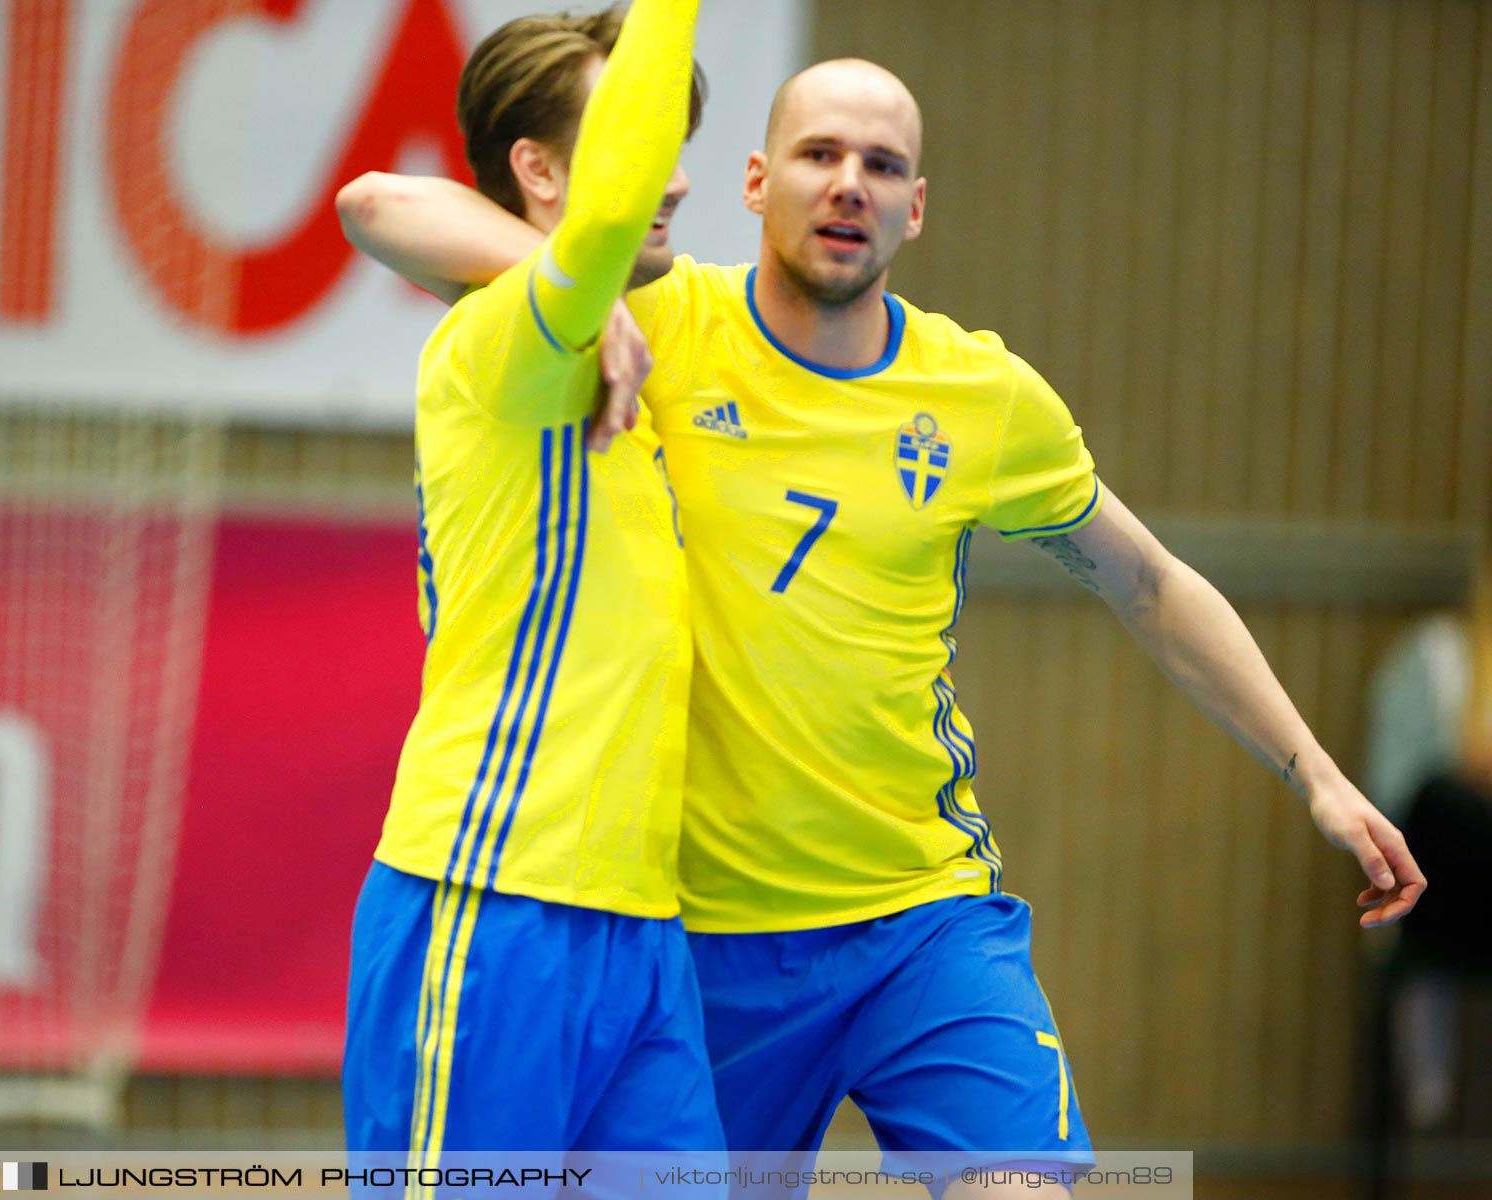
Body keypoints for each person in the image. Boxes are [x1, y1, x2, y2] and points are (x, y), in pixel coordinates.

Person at [340, 55, 1426, 1197]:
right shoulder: (657, 317)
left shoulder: (982, 396)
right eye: (820, 155)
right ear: (755, 182)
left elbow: (1147, 581)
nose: (850, 183)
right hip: (700, 938)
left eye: (883, 165)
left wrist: (1315, 774)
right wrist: (579, 281)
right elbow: (387, 206)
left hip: (919, 918)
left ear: (919, 206)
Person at [335, 0, 725, 1161]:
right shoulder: (513, 337)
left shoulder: (637, 345)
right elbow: (373, 202)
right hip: (492, 903)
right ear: (539, 172)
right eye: (640, 147)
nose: (676, 184)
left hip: (642, 931)